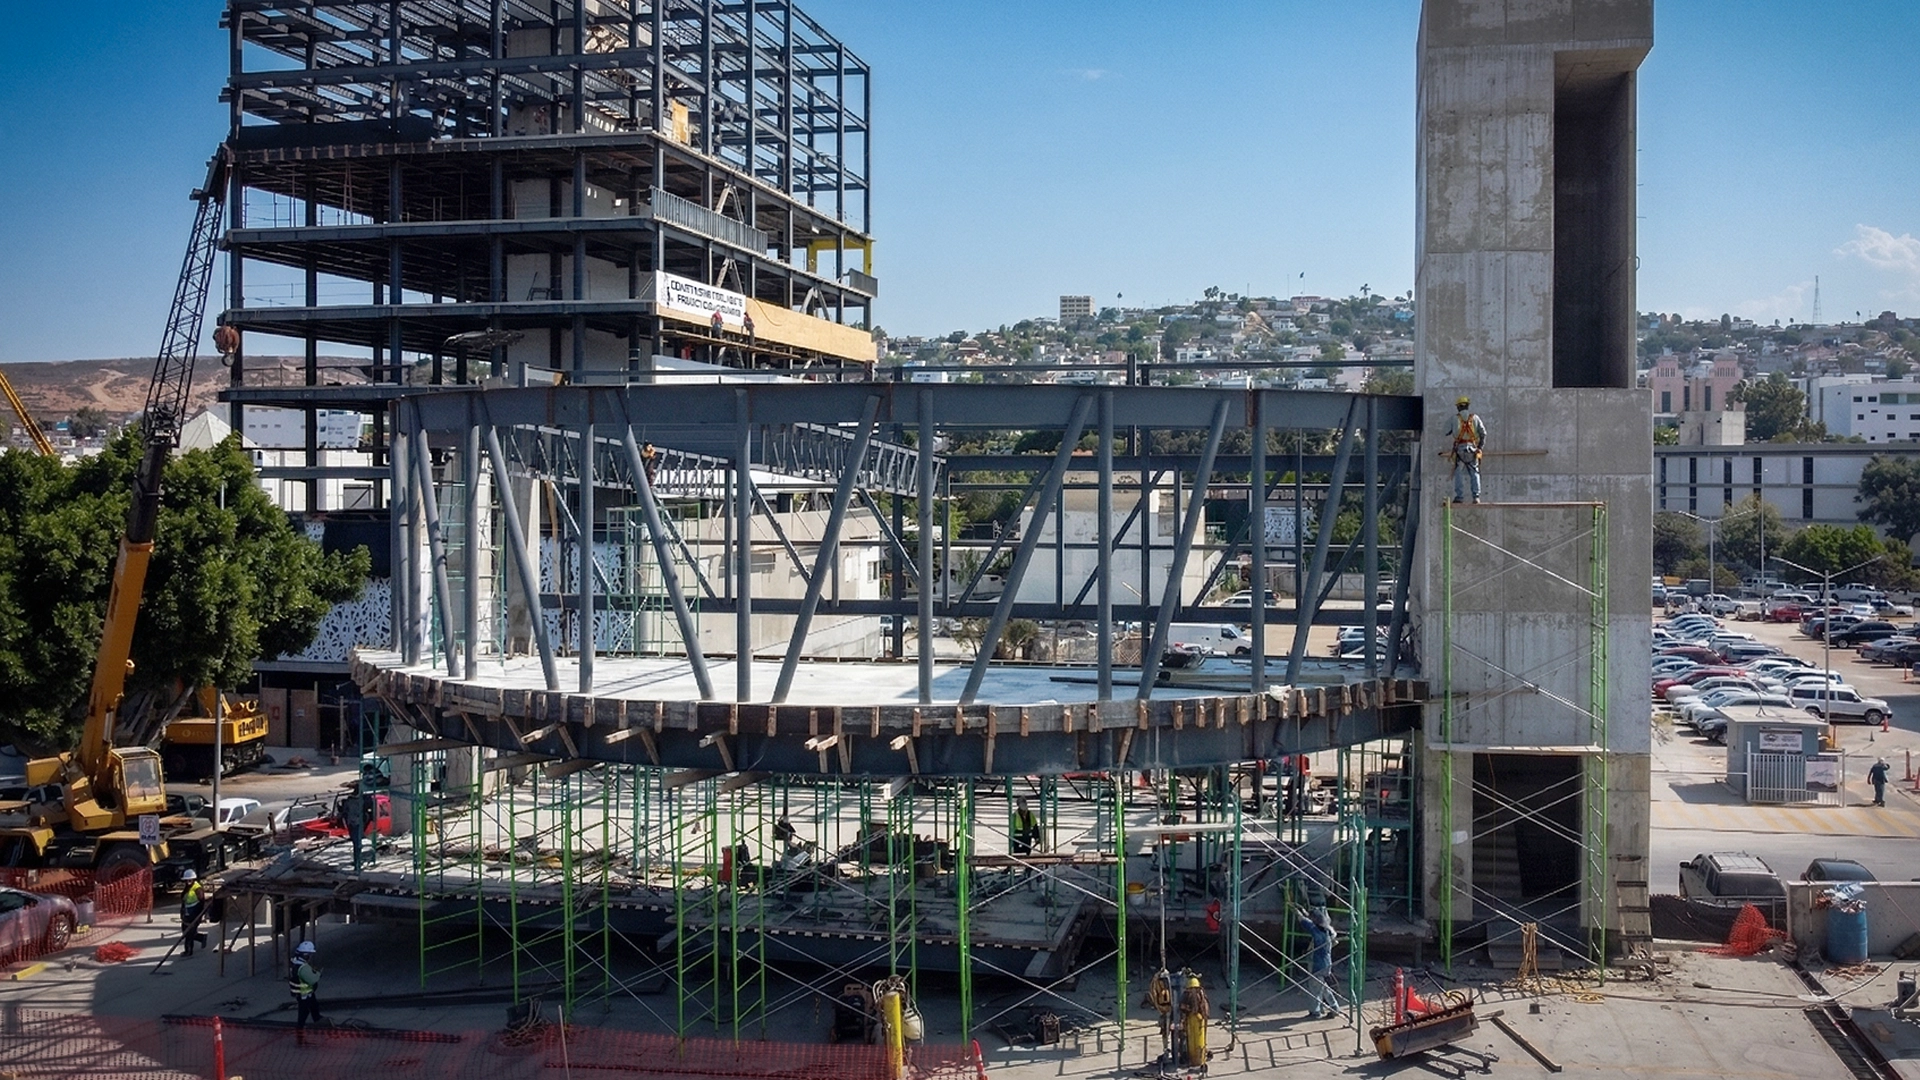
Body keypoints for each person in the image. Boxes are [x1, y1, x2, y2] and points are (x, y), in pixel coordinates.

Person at [1298, 909, 1338, 1020]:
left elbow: (1307, 924)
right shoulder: (1328, 931)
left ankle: (1315, 1012)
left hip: (1317, 965)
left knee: (1314, 989)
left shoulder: (1317, 933)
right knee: (1323, 988)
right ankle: (1334, 1007)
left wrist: (1299, 914)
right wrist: (1305, 913)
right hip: (1326, 964)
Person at [1446, 396, 1486, 504]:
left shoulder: (1454, 419)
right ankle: (1476, 497)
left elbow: (1446, 431)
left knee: (1458, 473)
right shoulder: (1475, 418)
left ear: (1458, 407)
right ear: (1468, 406)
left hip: (1460, 450)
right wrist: (1480, 448)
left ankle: (1459, 497)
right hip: (1472, 449)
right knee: (1474, 472)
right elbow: (1483, 433)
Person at [289, 940, 323, 1041]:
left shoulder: (295, 964)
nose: (311, 957)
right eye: (310, 955)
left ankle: (318, 1019)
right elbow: (313, 980)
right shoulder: (303, 968)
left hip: (305, 993)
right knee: (303, 1014)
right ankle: (300, 1036)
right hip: (305, 994)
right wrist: (318, 974)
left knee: (314, 1006)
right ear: (306, 955)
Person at [1178, 972, 1210, 1067]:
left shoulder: (1187, 995)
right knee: (1199, 1041)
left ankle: (1195, 1059)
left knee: (1190, 1041)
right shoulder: (1202, 995)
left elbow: (1182, 1008)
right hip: (1200, 1021)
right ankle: (1200, 1058)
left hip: (1193, 1021)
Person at [178, 869, 207, 957]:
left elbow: (202, 903)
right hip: (187, 913)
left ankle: (188, 951)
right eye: (187, 880)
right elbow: (184, 901)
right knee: (185, 931)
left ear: (194, 879)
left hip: (195, 914)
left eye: (190, 880)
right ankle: (201, 938)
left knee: (189, 933)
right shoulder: (187, 888)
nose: (188, 882)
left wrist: (200, 916)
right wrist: (182, 913)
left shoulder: (198, 889)